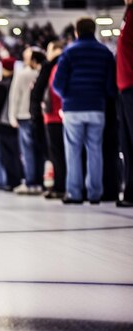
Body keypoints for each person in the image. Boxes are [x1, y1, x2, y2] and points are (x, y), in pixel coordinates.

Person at [53, 17, 117, 205]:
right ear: (94, 30)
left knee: (73, 152)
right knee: (95, 151)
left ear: (76, 31)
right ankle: (95, 193)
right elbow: (110, 85)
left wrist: (67, 96)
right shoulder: (104, 53)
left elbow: (57, 83)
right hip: (97, 107)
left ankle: (74, 193)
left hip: (73, 108)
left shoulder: (69, 52)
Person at [9, 47, 47, 195]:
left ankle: (30, 181)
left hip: (24, 116)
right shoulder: (41, 74)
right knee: (38, 151)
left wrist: (13, 115)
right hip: (38, 117)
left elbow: (15, 96)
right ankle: (38, 182)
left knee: (27, 151)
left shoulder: (22, 74)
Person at [0, 57, 23, 189]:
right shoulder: (17, 82)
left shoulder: (2, 85)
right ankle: (16, 180)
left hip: (2, 123)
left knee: (6, 154)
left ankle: (11, 182)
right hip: (17, 122)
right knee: (15, 153)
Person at [42, 41, 66, 199]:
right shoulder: (57, 66)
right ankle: (61, 185)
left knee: (58, 155)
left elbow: (55, 89)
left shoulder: (56, 67)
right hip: (57, 116)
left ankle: (60, 187)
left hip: (56, 117)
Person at [116, 0, 133, 207]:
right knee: (127, 145)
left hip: (130, 86)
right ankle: (130, 192)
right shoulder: (128, 15)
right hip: (124, 88)